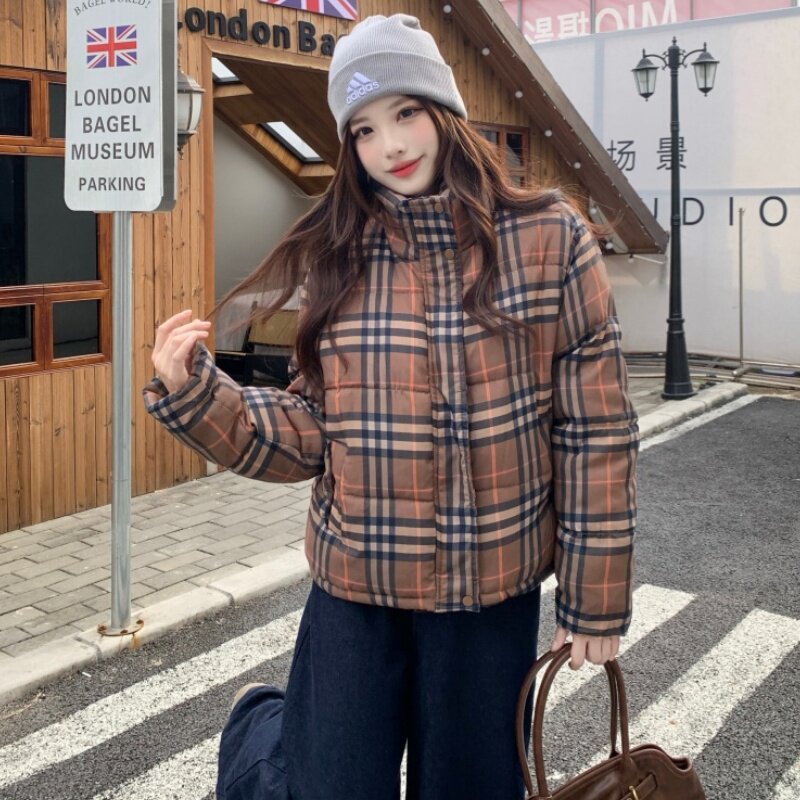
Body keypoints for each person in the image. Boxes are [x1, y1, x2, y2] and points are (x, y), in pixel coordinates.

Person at [143, 13, 639, 800]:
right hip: (356, 591)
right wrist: (200, 396)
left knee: (473, 789)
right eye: (365, 128)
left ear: (443, 109)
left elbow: (596, 431)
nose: (391, 145)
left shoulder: (549, 238)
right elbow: (312, 433)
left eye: (406, 111)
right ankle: (264, 723)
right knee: (329, 786)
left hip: (489, 598)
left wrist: (595, 600)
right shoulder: (337, 251)